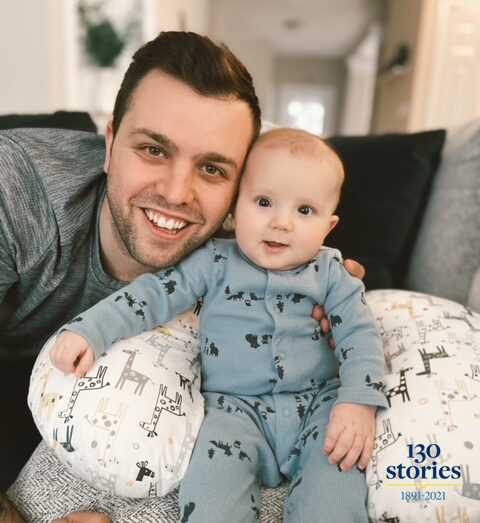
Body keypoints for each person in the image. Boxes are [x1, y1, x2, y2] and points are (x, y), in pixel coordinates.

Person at [0, 31, 364, 523]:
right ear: (110, 145)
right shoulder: (15, 191)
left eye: (213, 168)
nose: (176, 192)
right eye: (153, 150)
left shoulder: (254, 225)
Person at [50, 127, 386, 523]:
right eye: (264, 202)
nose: (282, 223)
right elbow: (152, 295)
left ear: (328, 227)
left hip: (319, 405)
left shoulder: (331, 272)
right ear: (233, 208)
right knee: (209, 496)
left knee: (337, 487)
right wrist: (90, 329)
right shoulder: (214, 261)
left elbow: (360, 334)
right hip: (233, 410)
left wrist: (358, 401)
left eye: (305, 211)